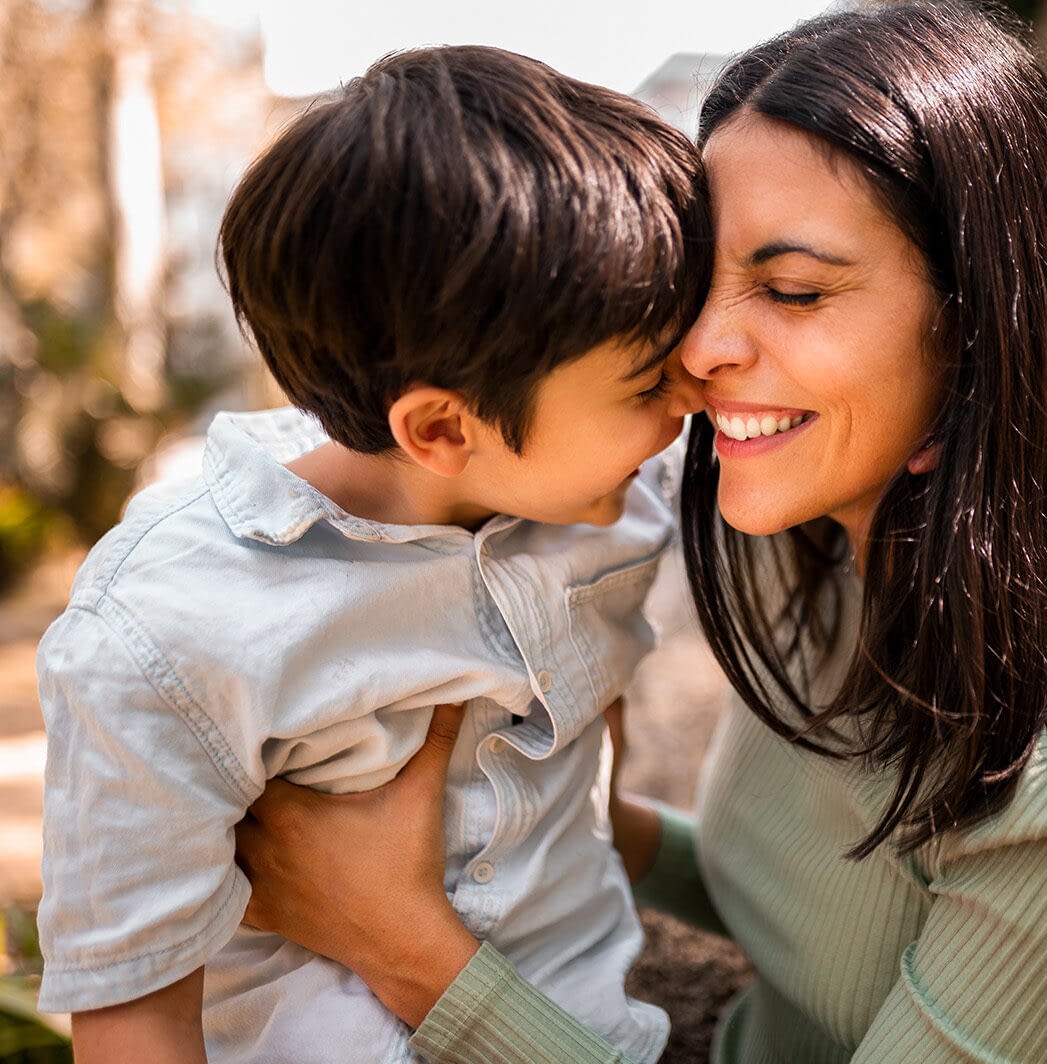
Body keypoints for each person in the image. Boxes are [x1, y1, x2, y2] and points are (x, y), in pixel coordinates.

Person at [234, 4, 1047, 1062]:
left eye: (793, 289)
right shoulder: (802, 546)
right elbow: (811, 910)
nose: (700, 348)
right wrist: (565, 821)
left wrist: (406, 946)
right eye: (695, 282)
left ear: (974, 327)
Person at [35, 45, 711, 1064]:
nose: (689, 397)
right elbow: (136, 1008)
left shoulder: (605, 508)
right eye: (645, 382)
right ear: (441, 429)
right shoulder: (170, 634)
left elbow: (596, 790)